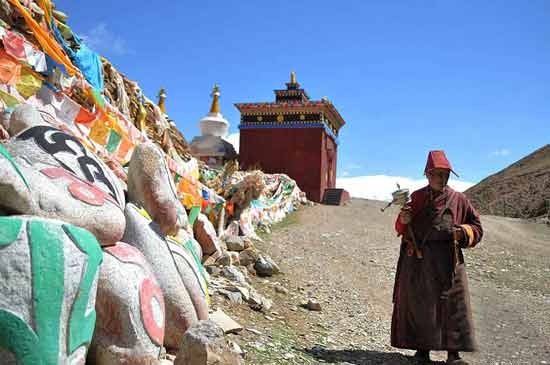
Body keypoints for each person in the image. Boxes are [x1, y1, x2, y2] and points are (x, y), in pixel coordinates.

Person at [391, 150, 483, 364]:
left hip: (449, 261)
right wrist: (404, 220)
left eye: (445, 175)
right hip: (419, 261)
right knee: (421, 304)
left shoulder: (459, 200)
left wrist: (463, 231)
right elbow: (401, 228)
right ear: (428, 174)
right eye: (437, 174)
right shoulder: (416, 197)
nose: (442, 179)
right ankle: (422, 350)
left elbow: (477, 227)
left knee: (453, 306)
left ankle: (454, 354)